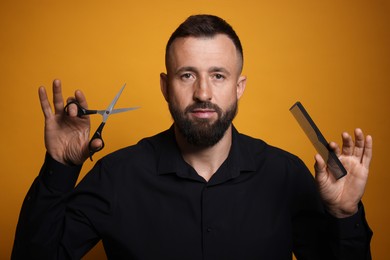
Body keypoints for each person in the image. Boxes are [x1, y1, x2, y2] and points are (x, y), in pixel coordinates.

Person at [12, 14, 373, 259]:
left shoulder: (286, 174)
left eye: (218, 75)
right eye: (187, 75)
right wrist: (59, 166)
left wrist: (345, 214)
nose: (203, 93)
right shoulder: (116, 176)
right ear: (165, 86)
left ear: (239, 86)